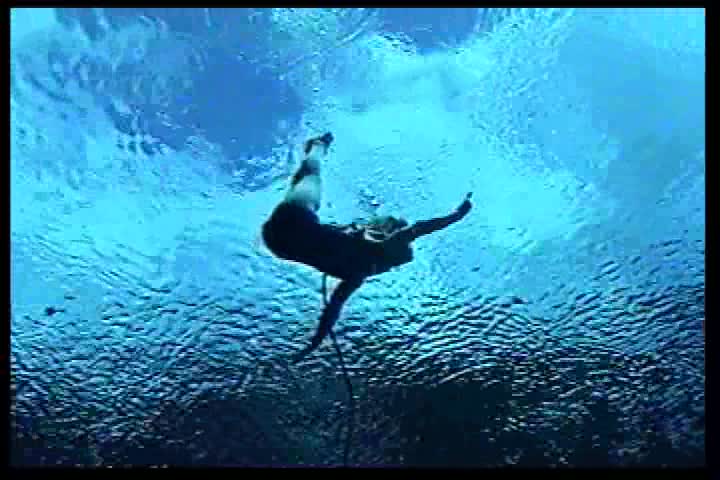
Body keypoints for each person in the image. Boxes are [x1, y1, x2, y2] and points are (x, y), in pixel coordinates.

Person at [262, 132, 473, 361]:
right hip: (278, 245)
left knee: (311, 175)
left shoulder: (379, 250)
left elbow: (419, 229)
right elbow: (333, 308)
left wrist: (455, 216)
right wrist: (315, 342)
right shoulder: (357, 275)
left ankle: (317, 146)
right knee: (305, 181)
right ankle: (313, 151)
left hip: (294, 219)